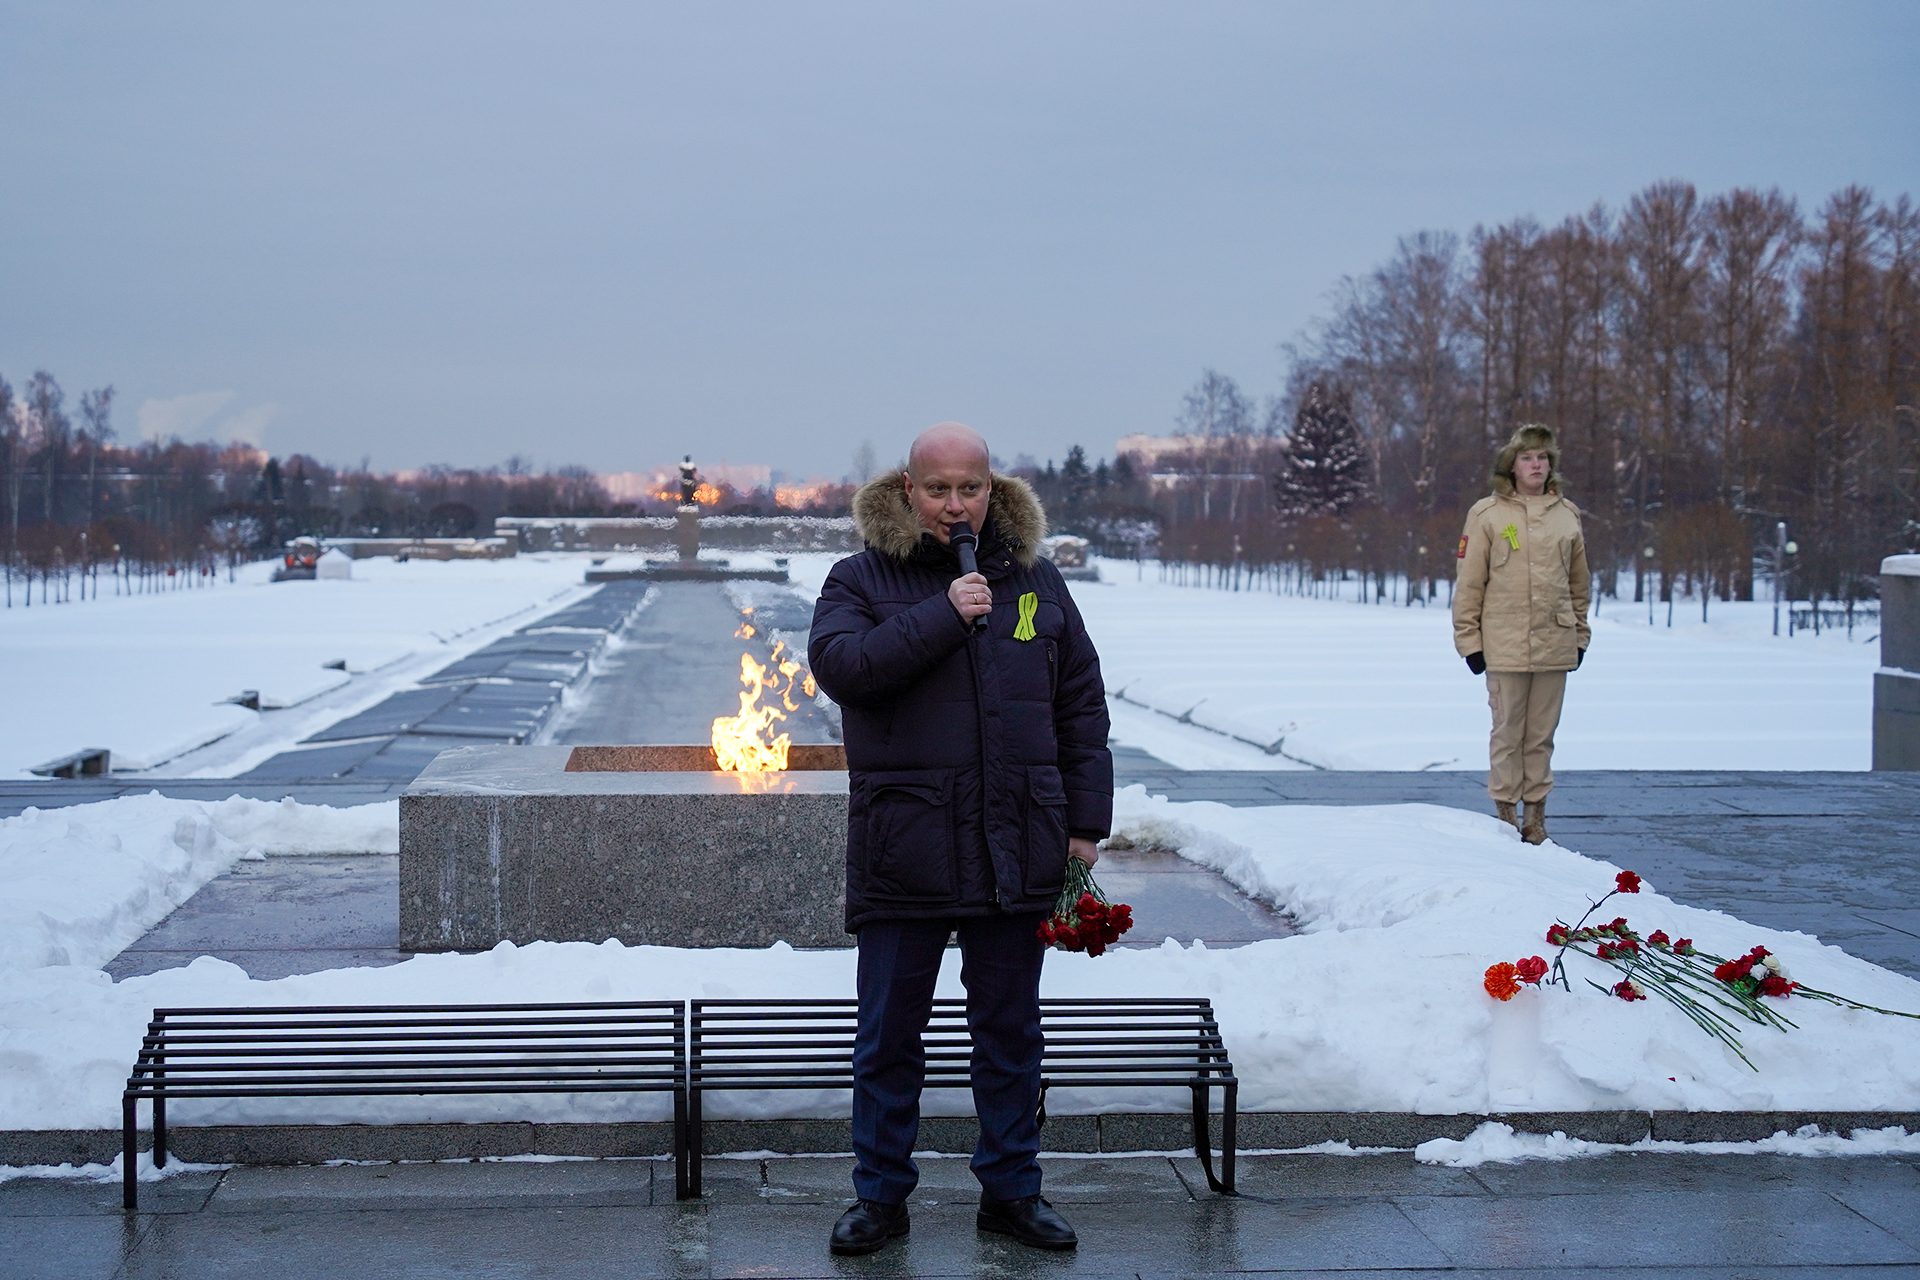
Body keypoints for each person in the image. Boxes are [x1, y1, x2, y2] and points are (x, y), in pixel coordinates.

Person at [807, 421, 1112, 1257]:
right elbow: (843, 669)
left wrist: (1085, 825)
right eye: (936, 489)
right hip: (905, 845)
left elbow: (1080, 707)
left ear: (992, 488)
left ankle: (1013, 1192)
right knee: (888, 1036)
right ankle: (879, 1198)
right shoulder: (860, 578)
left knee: (1011, 1034)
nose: (953, 505)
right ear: (907, 489)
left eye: (968, 488)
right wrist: (943, 613)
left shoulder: (1038, 583)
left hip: (1017, 843)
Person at [1452, 423, 1591, 845]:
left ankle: (1536, 818)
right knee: (1508, 732)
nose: (1537, 465)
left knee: (1541, 735)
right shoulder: (1486, 515)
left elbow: (1579, 584)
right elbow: (1469, 583)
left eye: (1543, 458)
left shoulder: (1567, 515)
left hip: (1555, 642)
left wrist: (1580, 635)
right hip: (1503, 645)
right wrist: (1469, 642)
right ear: (1511, 467)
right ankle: (1505, 815)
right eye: (1528, 458)